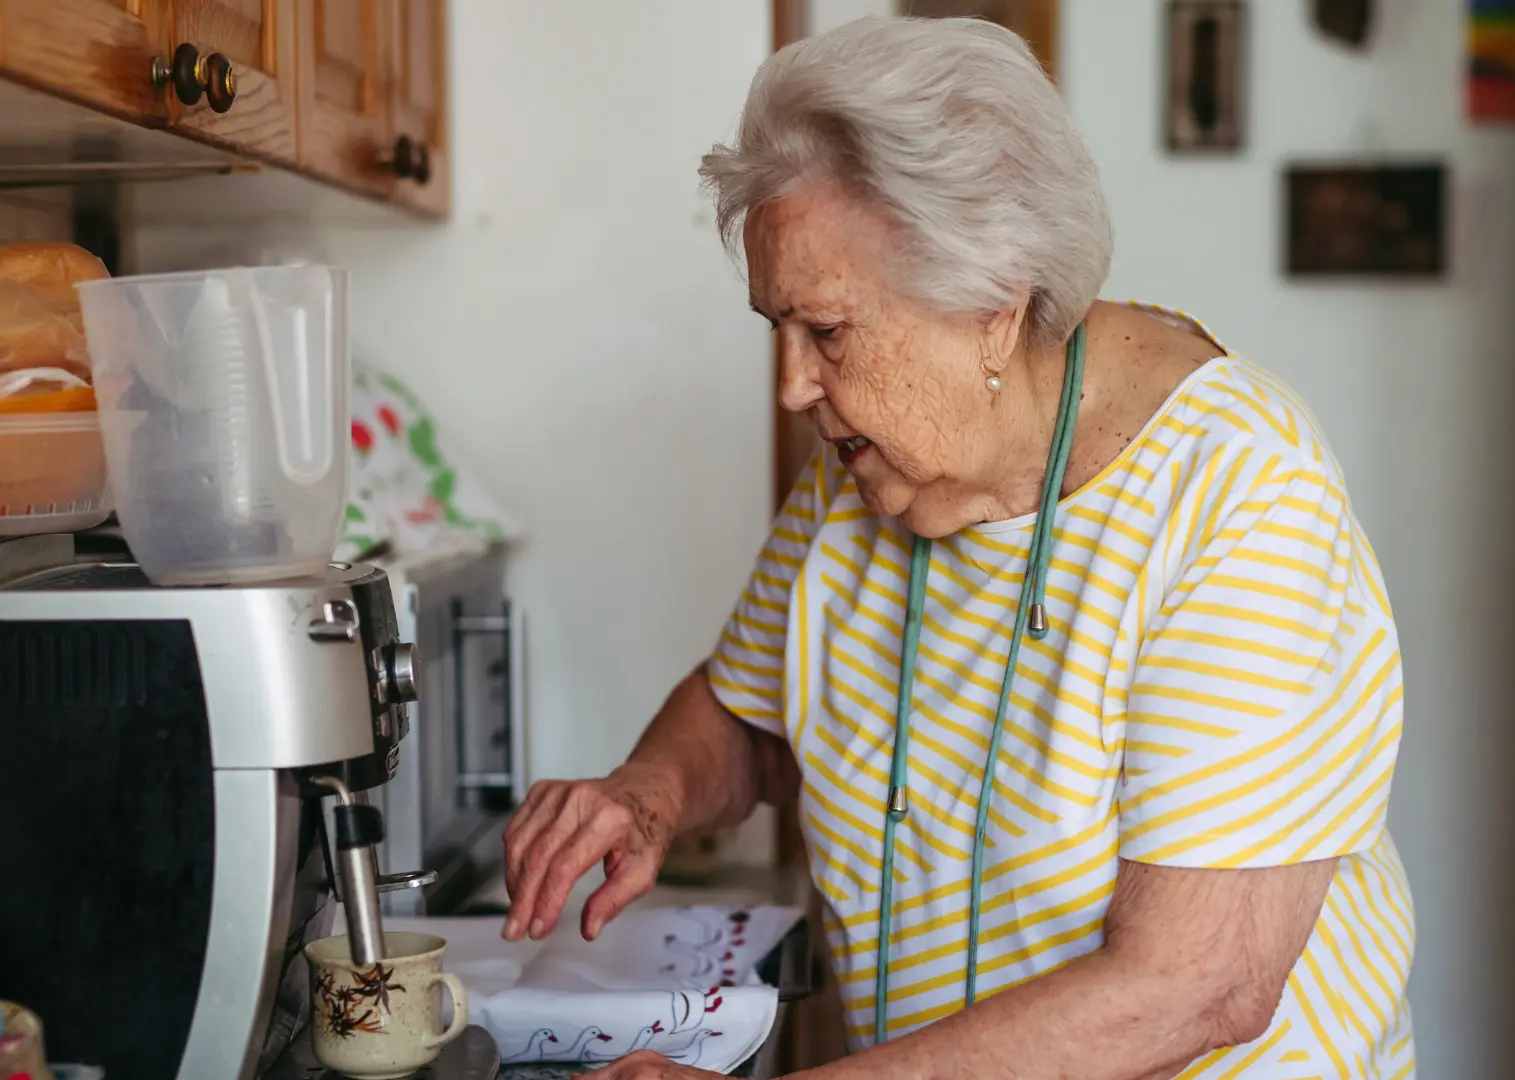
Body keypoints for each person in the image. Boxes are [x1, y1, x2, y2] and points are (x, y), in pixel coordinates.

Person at [504, 16, 1412, 1079]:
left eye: (828, 332)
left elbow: (1193, 988)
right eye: (776, 331)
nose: (793, 386)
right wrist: (649, 790)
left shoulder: (1240, 498)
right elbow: (750, 716)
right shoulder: (873, 470)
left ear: (992, 306)